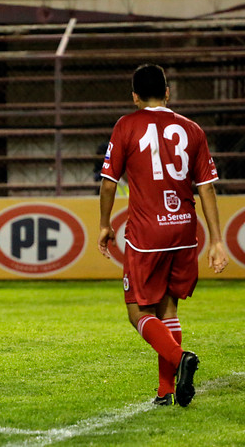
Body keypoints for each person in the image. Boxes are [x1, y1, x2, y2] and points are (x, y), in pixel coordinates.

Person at [98, 64, 229, 407]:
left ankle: (180, 356)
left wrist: (104, 223)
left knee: (137, 311)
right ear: (168, 93)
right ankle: (165, 391)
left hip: (147, 232)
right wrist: (216, 239)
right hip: (186, 228)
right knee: (168, 307)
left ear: (135, 97)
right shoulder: (192, 129)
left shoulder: (126, 125)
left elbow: (109, 181)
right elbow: (207, 188)